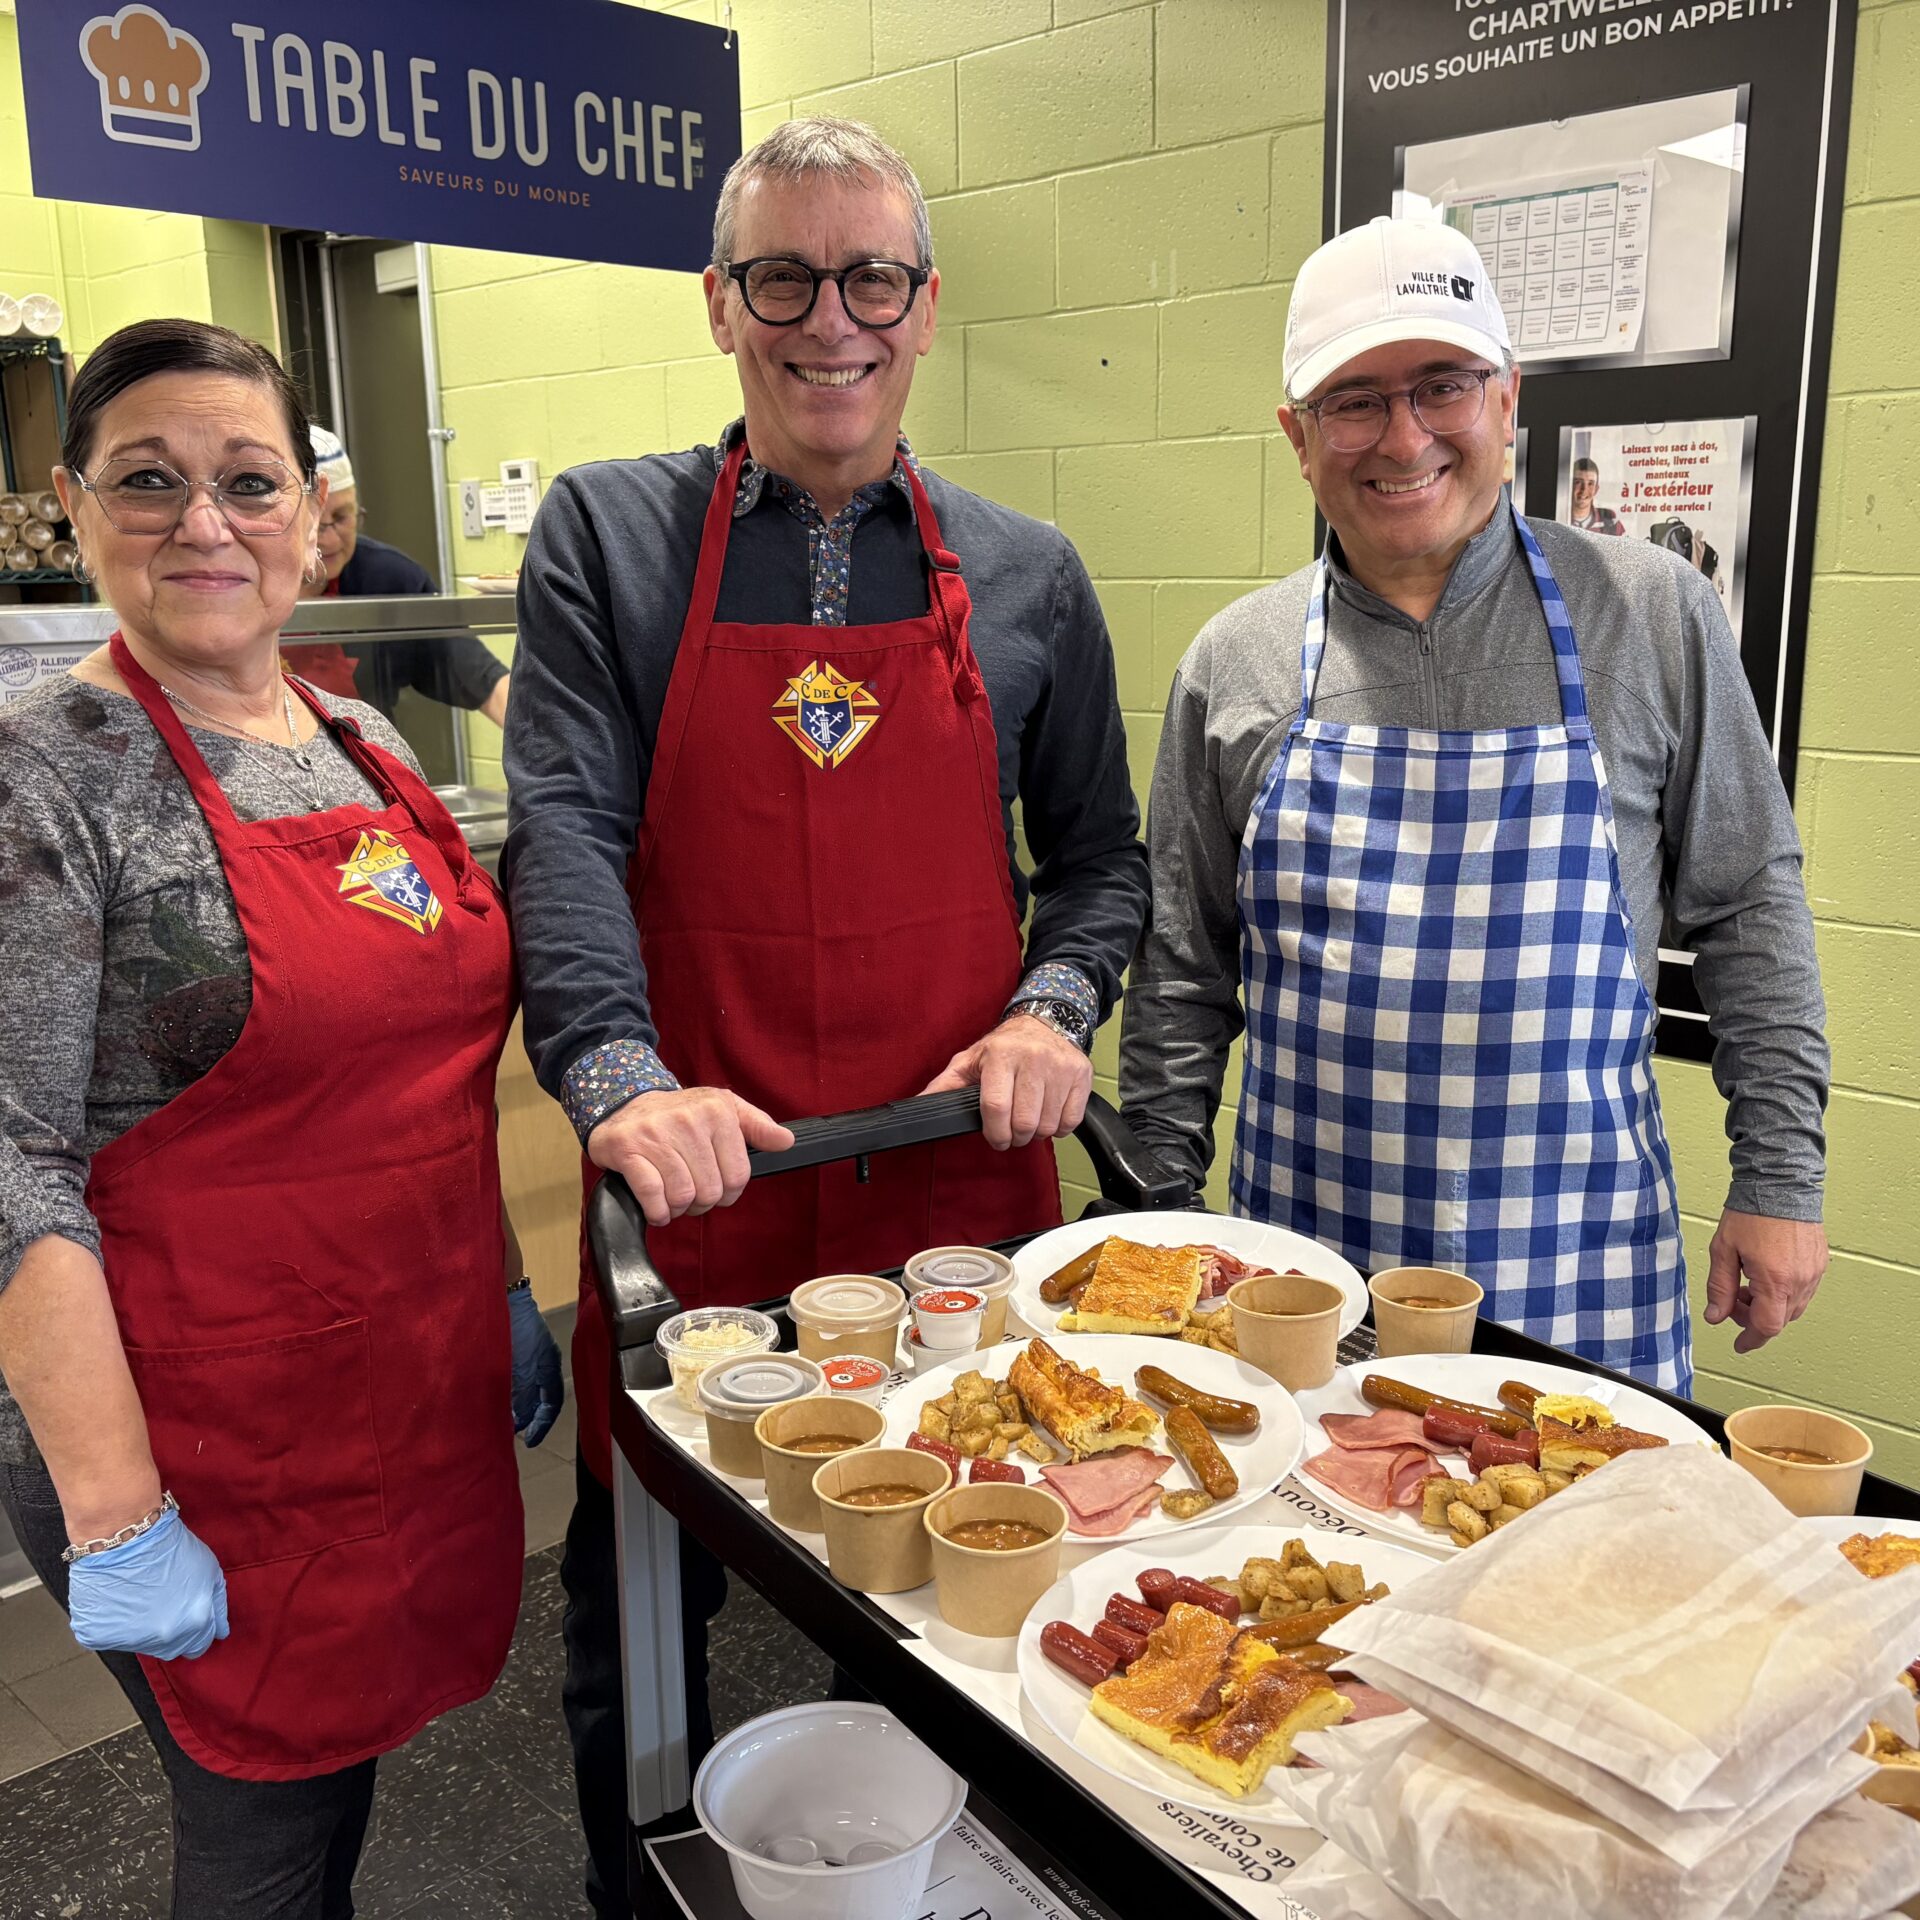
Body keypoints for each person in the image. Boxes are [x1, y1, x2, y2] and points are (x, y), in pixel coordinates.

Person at [504, 117, 1148, 1915]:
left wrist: (1052, 1011)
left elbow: (1102, 858)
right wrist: (619, 1079)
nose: (830, 321)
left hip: (955, 1189)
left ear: (925, 306)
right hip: (704, 1183)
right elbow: (564, 827)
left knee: (976, 1578)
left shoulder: (1028, 573)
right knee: (640, 1604)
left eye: (872, 278)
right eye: (783, 278)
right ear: (721, 303)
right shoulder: (612, 536)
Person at [0, 318, 562, 1920]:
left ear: (313, 516)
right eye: (148, 481)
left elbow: (427, 1073)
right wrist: (118, 1514)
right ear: (74, 504)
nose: (204, 522)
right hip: (197, 1434)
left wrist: (505, 1288)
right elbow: (11, 1157)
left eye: (248, 481)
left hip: (391, 1391)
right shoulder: (45, 776)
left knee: (335, 1788)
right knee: (261, 1836)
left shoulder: (362, 744)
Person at [1121, 215, 1829, 1397]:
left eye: (1442, 385)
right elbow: (1184, 972)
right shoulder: (1233, 662)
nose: (1404, 437)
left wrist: (1780, 1178)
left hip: (1578, 1278)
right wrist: (1156, 1209)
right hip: (1307, 1280)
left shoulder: (1651, 615)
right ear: (1299, 438)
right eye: (1355, 401)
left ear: (1507, 400)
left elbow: (1750, 902)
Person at [281, 426, 512, 727]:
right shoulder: (243, 581)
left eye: (343, 517)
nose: (332, 539)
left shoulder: (389, 578)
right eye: (315, 525)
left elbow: (486, 682)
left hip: (365, 752)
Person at [1569, 455, 1627, 535]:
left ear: (1596, 489)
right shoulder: (1560, 518)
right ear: (1569, 486)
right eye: (1578, 482)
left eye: (1590, 483)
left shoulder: (1610, 520)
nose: (1584, 489)